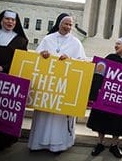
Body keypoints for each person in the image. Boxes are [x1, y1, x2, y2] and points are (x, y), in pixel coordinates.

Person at [27, 13, 86, 153]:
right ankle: (38, 144)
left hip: (63, 88)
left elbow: (82, 63)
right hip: (47, 88)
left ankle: (58, 145)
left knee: (59, 119)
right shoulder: (48, 39)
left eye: (70, 24)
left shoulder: (76, 42)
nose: (68, 27)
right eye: (65, 23)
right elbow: (36, 57)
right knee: (44, 116)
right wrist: (43, 55)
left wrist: (70, 59)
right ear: (59, 23)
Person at [87, 37, 122, 158]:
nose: (116, 46)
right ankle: (100, 143)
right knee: (101, 119)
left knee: (118, 122)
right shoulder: (109, 57)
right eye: (115, 44)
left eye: (119, 44)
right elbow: (100, 74)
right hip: (106, 96)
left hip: (120, 99)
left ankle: (114, 145)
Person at [0, 10, 28, 151]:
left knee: (4, 111)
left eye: (13, 20)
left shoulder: (20, 40)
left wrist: (2, 68)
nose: (10, 22)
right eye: (7, 19)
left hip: (9, 79)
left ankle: (3, 141)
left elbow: (22, 61)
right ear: (1, 20)